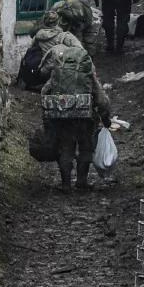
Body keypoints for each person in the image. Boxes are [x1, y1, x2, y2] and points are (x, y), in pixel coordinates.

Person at [40, 45, 111, 191]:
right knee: (86, 148)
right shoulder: (88, 73)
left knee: (66, 148)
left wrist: (48, 116)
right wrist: (106, 118)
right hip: (85, 118)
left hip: (63, 116)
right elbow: (102, 100)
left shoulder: (58, 72)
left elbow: (45, 91)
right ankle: (81, 181)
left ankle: (66, 184)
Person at [18, 10, 83, 90]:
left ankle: (28, 83)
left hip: (41, 71)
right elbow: (81, 51)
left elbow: (29, 53)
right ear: (58, 21)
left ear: (44, 21)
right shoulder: (64, 36)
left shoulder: (38, 36)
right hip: (58, 71)